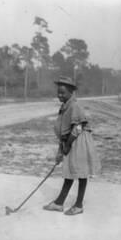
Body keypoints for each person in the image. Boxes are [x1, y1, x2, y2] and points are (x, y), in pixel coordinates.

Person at [43, 76, 101, 215]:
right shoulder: (65, 107)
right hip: (70, 140)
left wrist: (67, 145)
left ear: (71, 93)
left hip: (79, 141)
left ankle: (79, 205)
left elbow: (78, 128)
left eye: (62, 92)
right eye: (58, 92)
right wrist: (60, 151)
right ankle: (59, 203)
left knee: (81, 172)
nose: (59, 95)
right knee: (69, 171)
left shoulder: (75, 106)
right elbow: (64, 131)